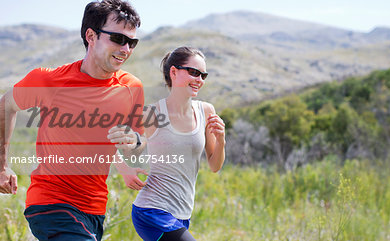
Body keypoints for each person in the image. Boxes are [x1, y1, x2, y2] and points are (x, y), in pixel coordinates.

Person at [0, 0, 148, 240]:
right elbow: (5, 105)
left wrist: (134, 143)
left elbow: (136, 151)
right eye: (119, 39)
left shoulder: (132, 87)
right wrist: (1, 164)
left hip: (95, 210)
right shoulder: (49, 81)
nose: (126, 49)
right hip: (50, 204)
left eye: (132, 42)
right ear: (91, 36)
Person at [107, 46, 226, 241]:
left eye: (203, 75)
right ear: (173, 72)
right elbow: (103, 135)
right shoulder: (151, 114)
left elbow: (214, 165)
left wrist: (221, 139)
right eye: (194, 72)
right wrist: (124, 169)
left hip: (182, 214)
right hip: (151, 212)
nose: (199, 80)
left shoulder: (206, 111)